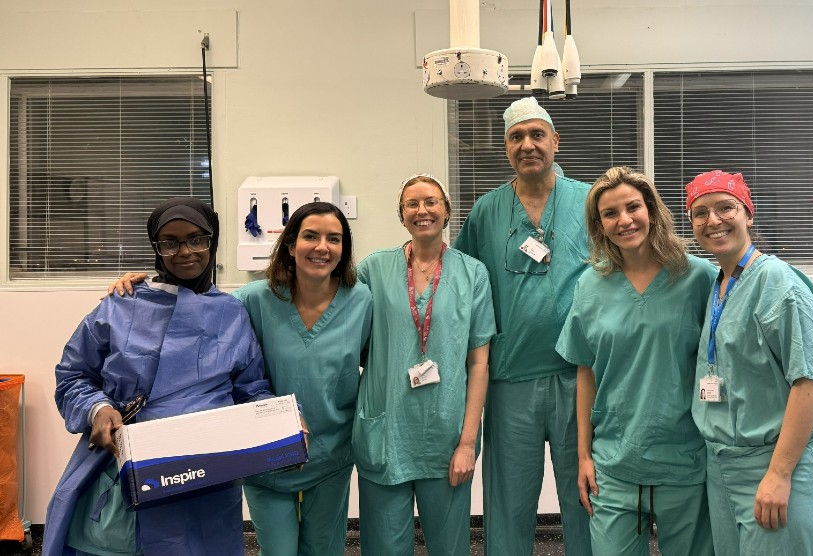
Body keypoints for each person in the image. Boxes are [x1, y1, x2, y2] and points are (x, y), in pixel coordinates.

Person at [106, 202, 372, 556]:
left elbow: (376, 365)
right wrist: (147, 284)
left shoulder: (361, 301)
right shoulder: (252, 300)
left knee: (324, 549)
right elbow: (197, 304)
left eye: (334, 239)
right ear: (291, 245)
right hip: (265, 456)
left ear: (343, 250)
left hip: (331, 455)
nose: (322, 246)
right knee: (278, 551)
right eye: (310, 236)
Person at [45, 197, 275, 556]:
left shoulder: (231, 312)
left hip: (207, 473)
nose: (185, 252)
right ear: (156, 246)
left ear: (211, 242)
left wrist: (280, 421)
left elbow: (252, 388)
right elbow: (74, 375)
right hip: (129, 462)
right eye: (170, 242)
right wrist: (97, 410)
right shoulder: (121, 304)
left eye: (197, 239)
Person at [454, 97, 592, 555]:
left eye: (537, 135)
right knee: (508, 502)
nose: (527, 145)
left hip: (580, 375)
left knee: (586, 497)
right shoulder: (487, 211)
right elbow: (459, 278)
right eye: (516, 137)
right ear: (505, 147)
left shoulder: (591, 202)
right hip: (510, 378)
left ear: (556, 141)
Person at [556, 167, 716, 556]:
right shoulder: (590, 285)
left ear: (652, 210)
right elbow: (584, 370)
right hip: (615, 463)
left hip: (685, 459)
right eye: (610, 213)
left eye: (633, 207)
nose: (624, 220)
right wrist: (584, 456)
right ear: (599, 225)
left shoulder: (698, 278)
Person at [685, 170, 813, 556]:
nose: (713, 220)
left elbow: (809, 381)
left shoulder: (778, 282)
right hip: (722, 467)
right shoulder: (719, 283)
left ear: (748, 214)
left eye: (725, 208)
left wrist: (779, 473)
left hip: (773, 464)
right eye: (700, 213)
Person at [352, 173, 495, 555]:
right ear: (401, 215)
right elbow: (349, 340)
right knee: (384, 547)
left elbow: (479, 363)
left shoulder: (472, 274)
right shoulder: (373, 270)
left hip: (445, 434)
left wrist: (467, 443)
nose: (422, 210)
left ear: (447, 211)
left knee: (449, 547)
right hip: (387, 430)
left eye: (431, 201)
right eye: (412, 204)